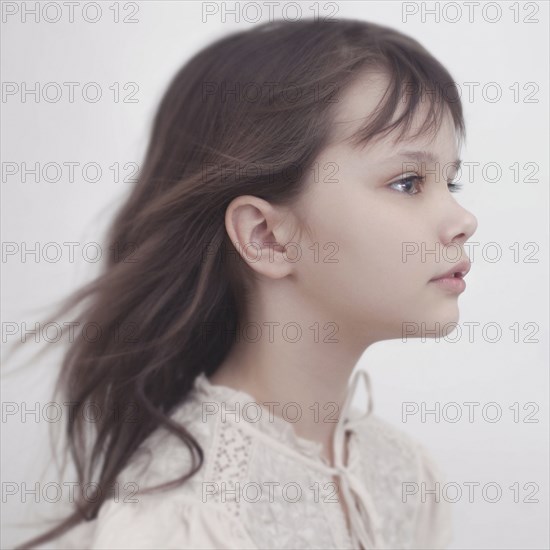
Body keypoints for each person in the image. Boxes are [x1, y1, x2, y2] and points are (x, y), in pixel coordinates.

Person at [17, 17, 477, 550]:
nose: (463, 218)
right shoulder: (178, 519)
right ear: (266, 237)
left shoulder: (406, 475)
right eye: (408, 182)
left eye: (451, 180)